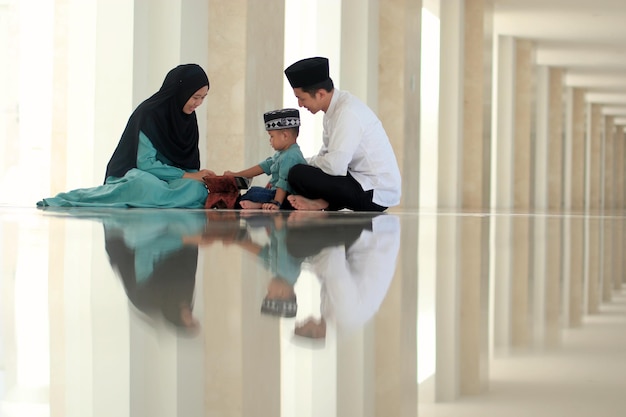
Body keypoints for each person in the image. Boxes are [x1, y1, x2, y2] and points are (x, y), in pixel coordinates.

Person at [36, 64, 214, 208]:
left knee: (198, 190)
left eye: (203, 98)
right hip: (135, 175)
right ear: (180, 92)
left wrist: (200, 177)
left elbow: (188, 164)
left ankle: (162, 199)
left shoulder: (188, 119)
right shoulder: (149, 114)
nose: (198, 104)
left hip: (171, 181)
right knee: (145, 185)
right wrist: (188, 176)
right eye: (195, 97)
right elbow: (145, 164)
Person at [283, 56, 402, 212]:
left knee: (298, 173)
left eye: (301, 98)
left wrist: (301, 164)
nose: (300, 104)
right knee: (295, 175)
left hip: (375, 192)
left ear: (320, 94)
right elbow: (325, 155)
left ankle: (322, 202)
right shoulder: (331, 112)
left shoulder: (347, 113)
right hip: (356, 179)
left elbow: (334, 166)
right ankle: (319, 202)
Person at [223, 108, 306, 210]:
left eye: (272, 136)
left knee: (254, 194)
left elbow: (283, 183)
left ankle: (259, 205)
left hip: (285, 197)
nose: (270, 140)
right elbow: (263, 167)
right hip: (275, 193)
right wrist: (237, 175)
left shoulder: (290, 156)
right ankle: (256, 204)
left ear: (285, 136)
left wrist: (276, 203)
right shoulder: (282, 154)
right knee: (254, 191)